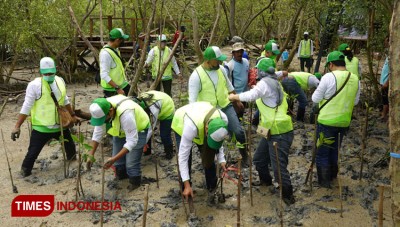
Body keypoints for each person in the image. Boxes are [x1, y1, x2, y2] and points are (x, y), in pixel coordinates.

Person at [228, 58, 295, 205]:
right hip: (270, 130)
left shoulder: (265, 83)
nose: (256, 72)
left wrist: (234, 97)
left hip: (279, 131)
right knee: (259, 159)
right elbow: (277, 73)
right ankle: (266, 182)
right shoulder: (274, 81)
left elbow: (251, 95)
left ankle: (288, 196)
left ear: (261, 71)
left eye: (257, 70)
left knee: (278, 166)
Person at [11, 57, 79, 177]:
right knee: (32, 154)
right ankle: (24, 172)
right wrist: (17, 126)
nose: (49, 75)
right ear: (40, 72)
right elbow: (26, 107)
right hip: (41, 128)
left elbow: (65, 99)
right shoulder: (34, 85)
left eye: (51, 73)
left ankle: (72, 166)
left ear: (56, 70)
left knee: (71, 149)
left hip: (60, 126)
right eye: (46, 73)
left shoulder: (60, 81)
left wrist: (73, 115)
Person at [188, 46, 248, 167]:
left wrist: (237, 101)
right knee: (213, 138)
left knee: (238, 131)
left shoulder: (221, 69)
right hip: (209, 112)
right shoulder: (196, 76)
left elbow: (230, 86)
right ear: (208, 60)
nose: (220, 62)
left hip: (225, 105)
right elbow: (192, 102)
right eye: (217, 60)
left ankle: (245, 156)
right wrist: (200, 122)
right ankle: (212, 165)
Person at [312, 51, 360, 188]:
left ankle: (324, 182)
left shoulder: (328, 77)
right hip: (344, 122)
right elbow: (355, 101)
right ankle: (333, 176)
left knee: (322, 152)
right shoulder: (355, 78)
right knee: (334, 150)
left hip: (326, 121)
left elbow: (315, 99)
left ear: (331, 64)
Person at [87, 95, 150, 190]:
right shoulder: (102, 108)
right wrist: (90, 155)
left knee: (131, 164)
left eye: (104, 120)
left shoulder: (126, 114)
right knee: (118, 163)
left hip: (138, 128)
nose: (103, 122)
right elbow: (97, 133)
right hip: (120, 130)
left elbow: (132, 141)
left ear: (111, 111)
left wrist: (114, 158)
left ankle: (135, 184)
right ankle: (122, 178)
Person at [171, 102, 229, 204]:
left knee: (209, 155)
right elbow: (183, 157)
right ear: (207, 130)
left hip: (200, 116)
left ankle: (212, 186)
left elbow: (219, 140)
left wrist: (221, 159)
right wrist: (187, 184)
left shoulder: (223, 119)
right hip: (182, 121)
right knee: (187, 158)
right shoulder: (190, 127)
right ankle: (186, 187)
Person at [138, 90, 175, 159]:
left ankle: (169, 153)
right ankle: (147, 152)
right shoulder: (137, 101)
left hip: (167, 108)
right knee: (144, 129)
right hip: (159, 101)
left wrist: (141, 144)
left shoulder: (153, 108)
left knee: (164, 135)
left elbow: (151, 128)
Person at [99, 28, 131, 97]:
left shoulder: (115, 50)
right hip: (112, 89)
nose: (123, 42)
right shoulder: (105, 54)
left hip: (122, 84)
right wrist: (117, 88)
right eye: (122, 40)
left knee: (136, 101)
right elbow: (104, 75)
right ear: (117, 40)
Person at [224, 42, 250, 119]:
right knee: (236, 114)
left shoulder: (245, 61)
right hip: (235, 96)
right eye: (237, 52)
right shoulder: (230, 65)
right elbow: (225, 81)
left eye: (241, 51)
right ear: (233, 53)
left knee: (241, 112)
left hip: (245, 94)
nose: (240, 54)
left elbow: (247, 74)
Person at [380, 36, 390, 122]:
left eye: (387, 41)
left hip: (386, 83)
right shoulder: (389, 55)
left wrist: (387, 82)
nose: (385, 43)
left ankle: (384, 115)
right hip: (383, 82)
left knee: (386, 100)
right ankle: (384, 115)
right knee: (384, 99)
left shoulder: (394, 56)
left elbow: (393, 72)